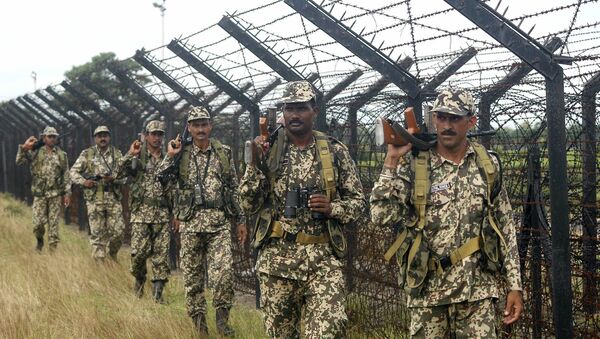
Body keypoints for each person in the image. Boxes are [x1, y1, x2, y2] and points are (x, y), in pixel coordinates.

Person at [370, 88, 523, 338]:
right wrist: (391, 162)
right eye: (441, 117)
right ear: (434, 119)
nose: (447, 125)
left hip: (478, 292)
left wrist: (515, 285)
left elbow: (505, 226)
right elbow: (380, 215)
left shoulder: (487, 164)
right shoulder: (416, 165)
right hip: (428, 291)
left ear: (471, 121)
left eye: (455, 118)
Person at [239, 80, 366, 339]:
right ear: (282, 113)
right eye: (289, 109)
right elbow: (247, 203)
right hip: (277, 262)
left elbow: (359, 202)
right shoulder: (269, 149)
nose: (295, 115)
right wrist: (256, 164)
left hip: (323, 261)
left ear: (314, 111)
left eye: (302, 108)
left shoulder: (334, 151)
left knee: (326, 332)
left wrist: (333, 208)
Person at [158, 106, 247, 337]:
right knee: (193, 279)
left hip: (218, 224)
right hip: (190, 225)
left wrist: (240, 220)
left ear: (211, 126)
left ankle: (222, 324)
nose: (200, 129)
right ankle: (200, 328)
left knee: (224, 276)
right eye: (195, 125)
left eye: (204, 124)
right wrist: (170, 156)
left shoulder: (223, 152)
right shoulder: (181, 154)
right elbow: (162, 180)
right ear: (189, 128)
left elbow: (233, 187)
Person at [113, 120, 173, 303]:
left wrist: (176, 213)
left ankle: (158, 293)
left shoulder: (168, 156)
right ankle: (139, 279)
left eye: (160, 134)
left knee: (161, 255)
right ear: (146, 135)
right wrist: (130, 154)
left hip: (162, 213)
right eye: (153, 134)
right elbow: (116, 174)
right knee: (138, 254)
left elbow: (176, 186)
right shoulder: (137, 157)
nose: (156, 137)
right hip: (140, 214)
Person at [70, 126, 126, 261]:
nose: (102, 138)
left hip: (113, 198)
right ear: (95, 138)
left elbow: (125, 177)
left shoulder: (117, 154)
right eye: (99, 136)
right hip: (94, 199)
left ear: (109, 137)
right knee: (97, 234)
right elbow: (72, 172)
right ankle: (99, 266)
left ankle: (112, 254)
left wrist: (113, 178)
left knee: (119, 232)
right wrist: (84, 182)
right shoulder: (87, 154)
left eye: (105, 135)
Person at [16, 126, 71, 252]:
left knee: (54, 225)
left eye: (54, 137)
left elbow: (66, 175)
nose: (52, 139)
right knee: (38, 224)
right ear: (43, 138)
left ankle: (53, 252)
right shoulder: (35, 152)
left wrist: (67, 193)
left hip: (55, 194)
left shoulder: (62, 155)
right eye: (49, 136)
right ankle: (40, 240)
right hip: (40, 194)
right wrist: (24, 148)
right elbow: (19, 161)